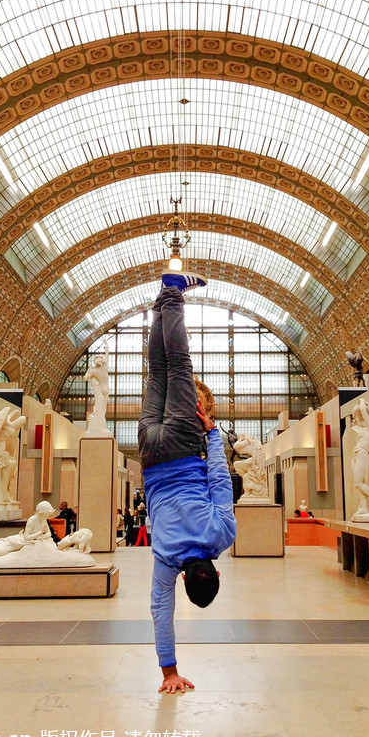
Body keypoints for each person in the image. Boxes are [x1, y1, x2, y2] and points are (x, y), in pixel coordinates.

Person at [137, 271, 237, 694]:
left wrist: (212, 434)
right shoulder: (165, 557)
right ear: (184, 578)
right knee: (157, 370)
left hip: (181, 441)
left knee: (178, 365)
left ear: (214, 570)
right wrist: (169, 673)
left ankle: (173, 292)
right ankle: (161, 304)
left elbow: (218, 478)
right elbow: (161, 612)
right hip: (150, 453)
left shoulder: (221, 535)